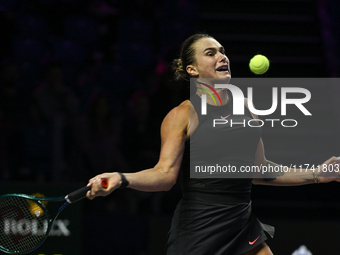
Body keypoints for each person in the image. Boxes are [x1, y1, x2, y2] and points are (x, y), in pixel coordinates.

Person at [86, 33, 340, 255]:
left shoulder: (247, 109)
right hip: (199, 229)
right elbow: (164, 175)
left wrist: (317, 174)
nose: (222, 56)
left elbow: (260, 170)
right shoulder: (182, 115)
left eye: (222, 51)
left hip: (241, 224)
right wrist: (122, 178)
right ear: (192, 70)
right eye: (210, 53)